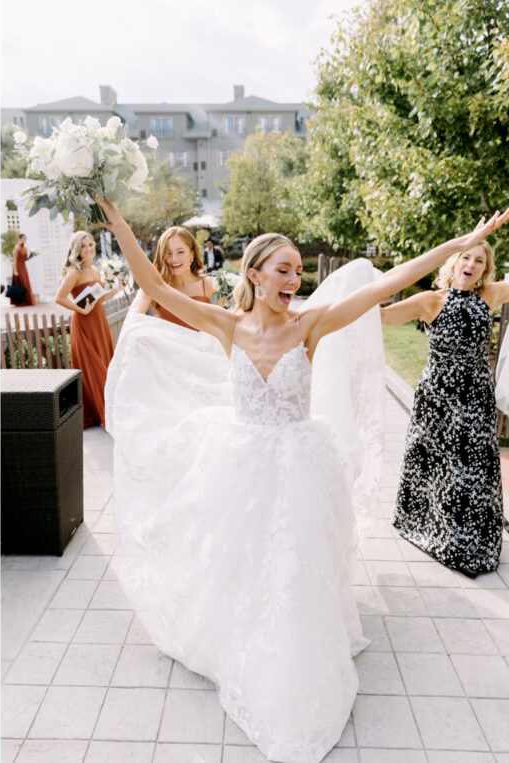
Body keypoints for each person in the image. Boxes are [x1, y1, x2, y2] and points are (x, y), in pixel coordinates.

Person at [96, 196, 508, 762]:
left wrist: (460, 244)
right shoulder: (225, 324)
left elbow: (389, 282)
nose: (294, 278)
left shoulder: (310, 323)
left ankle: (293, 659)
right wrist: (116, 219)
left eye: (297, 270)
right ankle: (238, 642)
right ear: (256, 275)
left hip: (299, 465)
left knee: (294, 563)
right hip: (238, 464)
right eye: (284, 269)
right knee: (240, 558)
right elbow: (155, 286)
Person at [381, 241, 508, 576]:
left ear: (485, 269)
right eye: (466, 257)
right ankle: (436, 529)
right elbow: (382, 317)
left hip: (477, 396)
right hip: (439, 398)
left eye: (479, 260)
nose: (472, 263)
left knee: (472, 467)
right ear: (453, 262)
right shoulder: (430, 300)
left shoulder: (490, 295)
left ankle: (470, 538)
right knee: (438, 463)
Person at [54, 231, 121, 428]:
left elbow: (98, 299)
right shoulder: (75, 272)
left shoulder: (96, 270)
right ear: (77, 249)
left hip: (99, 321)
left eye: (91, 244)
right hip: (83, 323)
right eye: (84, 246)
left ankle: (107, 410)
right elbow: (59, 297)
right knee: (94, 368)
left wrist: (115, 290)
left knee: (105, 363)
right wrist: (81, 309)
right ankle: (105, 415)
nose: (89, 249)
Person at [131, 226, 217, 329]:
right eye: (168, 253)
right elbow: (133, 317)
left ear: (192, 254)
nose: (174, 259)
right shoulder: (154, 286)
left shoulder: (209, 285)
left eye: (180, 252)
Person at [10, 233, 37, 306]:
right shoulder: (17, 248)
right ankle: (19, 301)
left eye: (25, 238)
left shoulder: (25, 248)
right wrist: (15, 270)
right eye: (23, 238)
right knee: (19, 283)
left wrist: (31, 256)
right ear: (19, 239)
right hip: (18, 267)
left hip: (23, 267)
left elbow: (25, 259)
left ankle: (26, 301)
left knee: (25, 283)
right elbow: (15, 260)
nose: (24, 240)